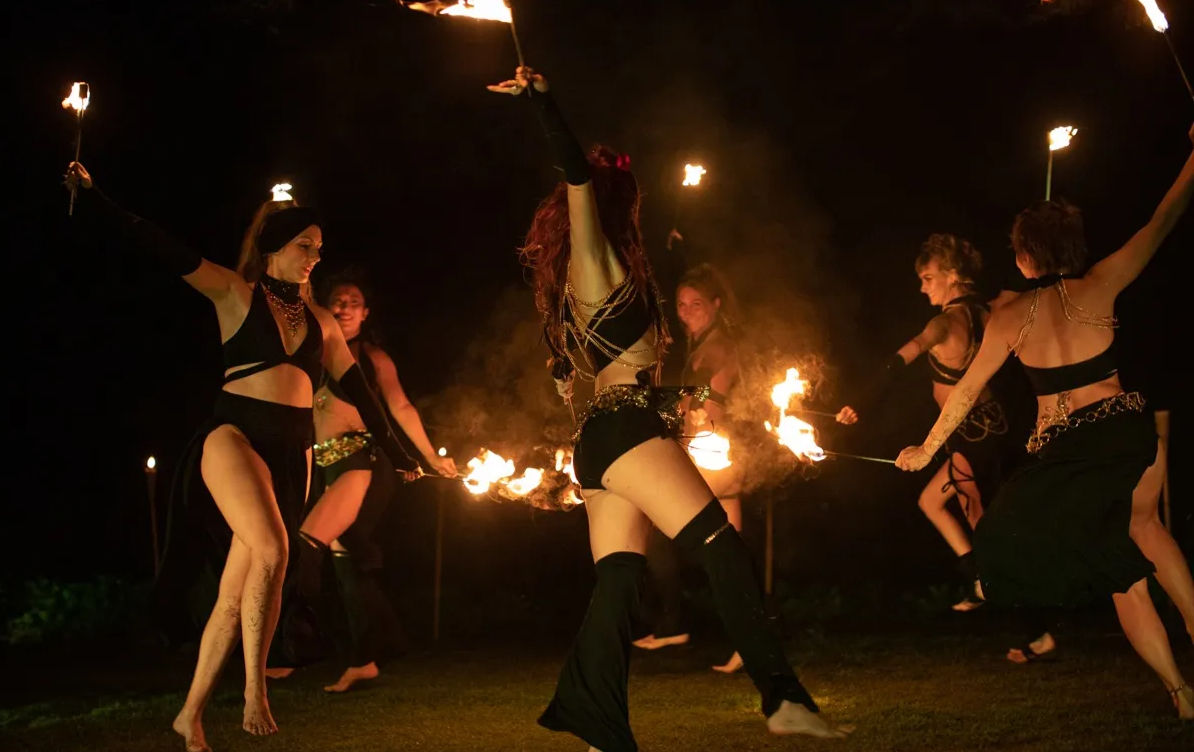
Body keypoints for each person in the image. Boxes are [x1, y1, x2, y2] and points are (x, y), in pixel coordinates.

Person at [489, 67, 850, 750]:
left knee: (618, 584)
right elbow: (575, 174)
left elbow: (611, 379)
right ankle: (782, 699)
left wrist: (676, 396)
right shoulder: (593, 263)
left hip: (603, 441)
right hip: (624, 434)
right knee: (723, 551)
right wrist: (544, 104)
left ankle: (597, 723)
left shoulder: (604, 283)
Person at [64, 162, 423, 751]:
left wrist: (401, 454)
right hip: (233, 436)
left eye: (319, 248)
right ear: (274, 249)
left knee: (236, 595)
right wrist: (95, 196)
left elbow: (364, 396)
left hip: (292, 450)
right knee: (276, 548)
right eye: (304, 246)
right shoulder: (234, 292)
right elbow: (161, 246)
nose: (314, 256)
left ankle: (190, 713)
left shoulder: (324, 323)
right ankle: (256, 689)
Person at [894, 123, 1194, 718]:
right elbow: (1160, 221)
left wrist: (926, 451)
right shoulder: (1103, 282)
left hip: (1072, 453)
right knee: (1150, 534)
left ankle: (1181, 695)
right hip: (1126, 433)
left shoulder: (1009, 317)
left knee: (1121, 572)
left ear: (1027, 253)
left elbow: (965, 392)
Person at [292, 271, 456, 692]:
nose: (343, 307)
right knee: (346, 561)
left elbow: (400, 407)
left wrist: (431, 457)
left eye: (353, 301)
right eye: (338, 300)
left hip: (364, 460)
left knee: (314, 547)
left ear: (366, 313)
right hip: (328, 466)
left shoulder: (372, 358)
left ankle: (290, 650)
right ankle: (373, 652)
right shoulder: (309, 353)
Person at [837, 234, 1018, 612]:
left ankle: (1024, 618)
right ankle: (985, 584)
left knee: (978, 517)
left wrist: (862, 399)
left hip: (969, 431)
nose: (922, 288)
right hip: (992, 424)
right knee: (934, 502)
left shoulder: (944, 322)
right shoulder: (988, 313)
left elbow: (902, 357)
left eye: (928, 278)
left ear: (953, 276)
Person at [634, 263, 750, 675]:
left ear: (716, 305)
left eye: (696, 304)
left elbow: (707, 398)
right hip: (703, 453)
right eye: (681, 305)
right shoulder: (702, 341)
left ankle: (745, 642)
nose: (686, 312)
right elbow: (690, 397)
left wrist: (651, 406)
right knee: (699, 546)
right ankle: (675, 623)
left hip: (715, 456)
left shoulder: (719, 344)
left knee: (726, 556)